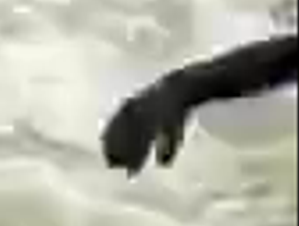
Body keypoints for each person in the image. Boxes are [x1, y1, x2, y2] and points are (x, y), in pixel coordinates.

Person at [102, 26, 299, 171]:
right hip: (244, 69)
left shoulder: (164, 98)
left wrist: (165, 156)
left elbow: (168, 146)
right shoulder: (164, 93)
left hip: (246, 72)